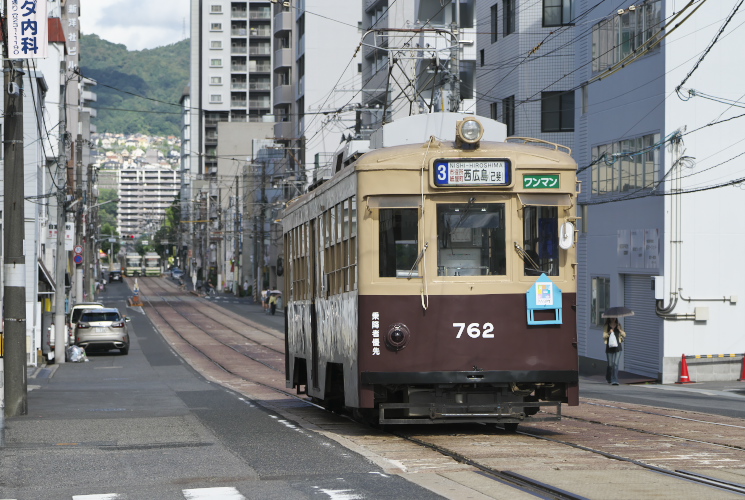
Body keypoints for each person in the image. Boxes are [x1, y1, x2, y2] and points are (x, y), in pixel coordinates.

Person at [603, 317, 626, 385]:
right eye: (612, 317)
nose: (613, 318)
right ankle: (608, 377)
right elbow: (604, 336)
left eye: (614, 317)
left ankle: (615, 380)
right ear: (609, 318)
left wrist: (620, 330)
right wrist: (609, 333)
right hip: (609, 347)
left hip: (618, 347)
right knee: (610, 364)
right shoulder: (607, 326)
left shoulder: (619, 325)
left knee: (615, 364)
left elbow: (624, 335)